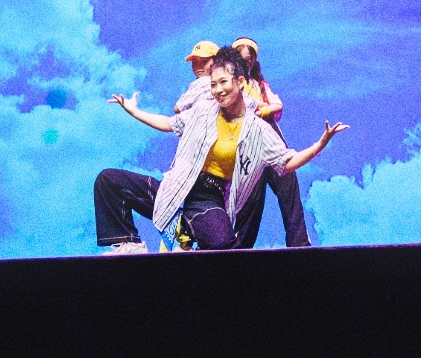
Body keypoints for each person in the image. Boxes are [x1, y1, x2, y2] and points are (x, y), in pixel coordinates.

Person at [93, 45, 347, 254]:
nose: (218, 90)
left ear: (239, 82)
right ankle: (129, 244)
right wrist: (135, 111)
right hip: (177, 188)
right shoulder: (205, 110)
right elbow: (170, 124)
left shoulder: (256, 128)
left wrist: (319, 145)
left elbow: (286, 163)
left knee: (225, 249)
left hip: (208, 198)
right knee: (109, 181)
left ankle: (190, 234)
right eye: (213, 84)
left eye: (223, 82)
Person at [232, 35, 312, 248]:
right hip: (248, 146)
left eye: (249, 60)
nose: (245, 64)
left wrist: (262, 110)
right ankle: (239, 249)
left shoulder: (259, 84)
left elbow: (278, 106)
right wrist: (258, 107)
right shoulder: (230, 84)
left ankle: (299, 242)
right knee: (251, 200)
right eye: (241, 60)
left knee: (289, 187)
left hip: (270, 142)